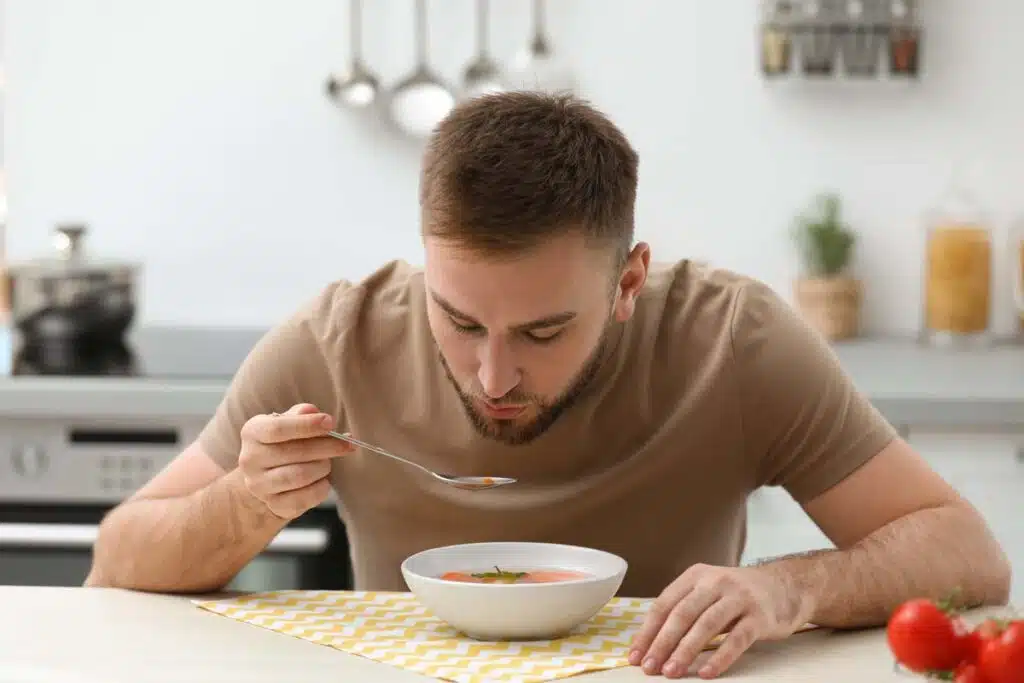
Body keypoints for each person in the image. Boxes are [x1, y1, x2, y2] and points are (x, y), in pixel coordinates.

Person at [87, 91, 1011, 679]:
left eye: (542, 330)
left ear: (629, 282)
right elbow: (117, 559)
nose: (494, 377)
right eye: (457, 320)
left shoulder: (733, 339)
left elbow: (967, 552)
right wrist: (246, 503)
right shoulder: (339, 339)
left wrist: (786, 591)